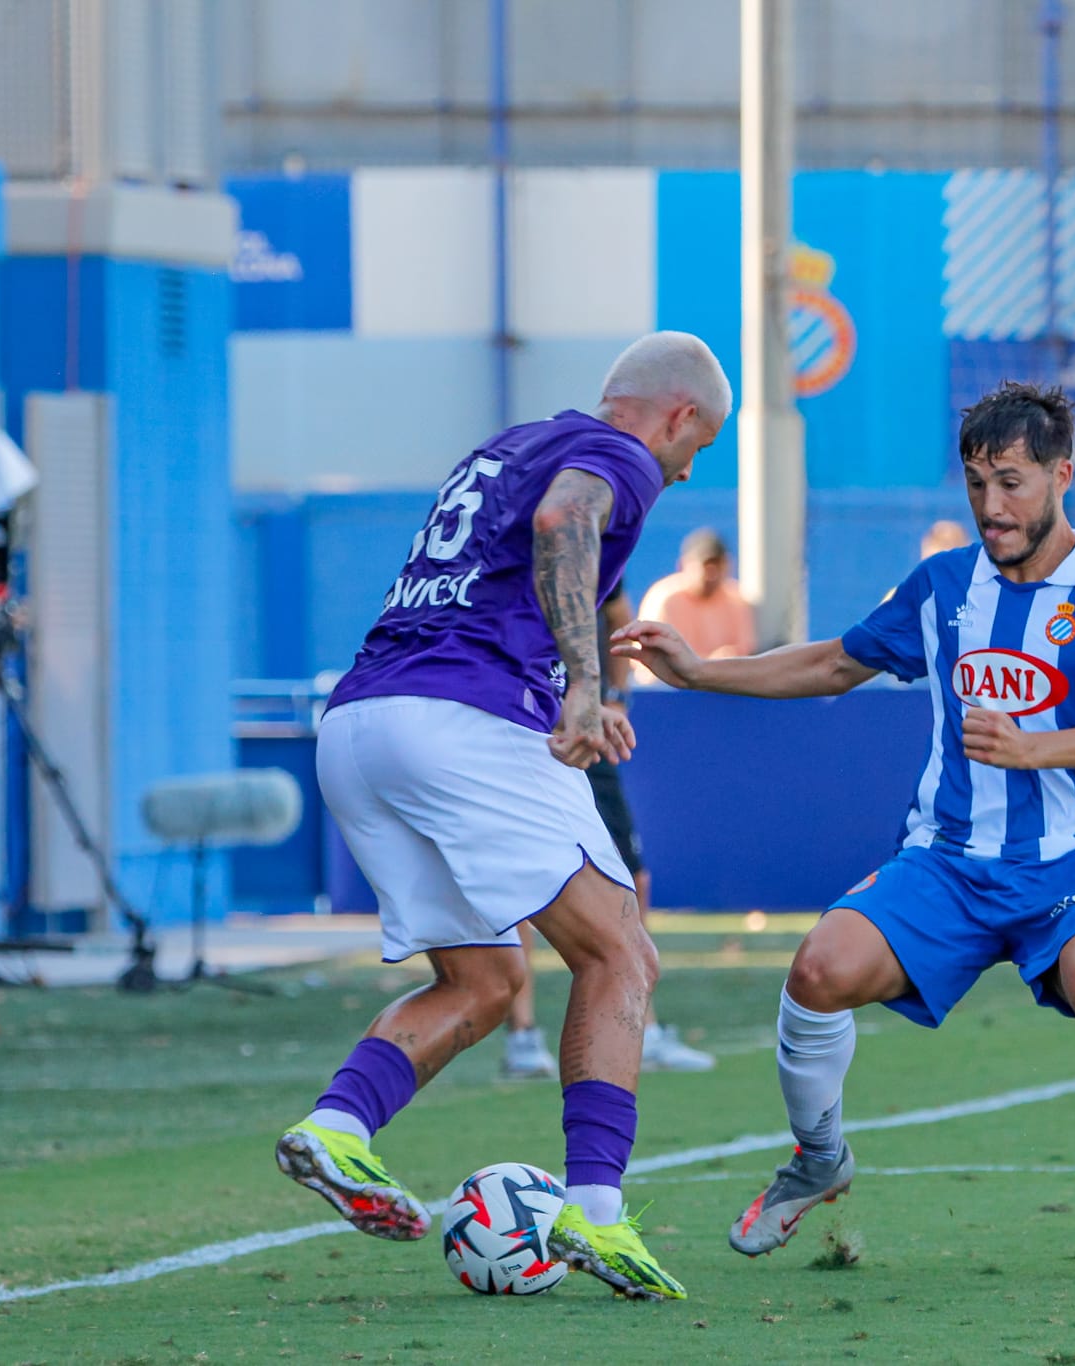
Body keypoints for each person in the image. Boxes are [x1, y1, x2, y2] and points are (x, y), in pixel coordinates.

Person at [613, 381, 1075, 1283]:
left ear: (1062, 476)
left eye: (1014, 483)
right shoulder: (945, 585)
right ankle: (819, 1160)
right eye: (979, 484)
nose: (993, 507)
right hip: (947, 860)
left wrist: (1034, 748)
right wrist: (701, 674)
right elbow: (837, 661)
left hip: (1063, 858)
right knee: (816, 971)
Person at [274, 331, 731, 1302]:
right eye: (702, 444)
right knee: (619, 953)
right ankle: (596, 1214)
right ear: (678, 415)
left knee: (484, 980)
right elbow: (570, 520)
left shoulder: (506, 446)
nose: (690, 471)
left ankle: (337, 1127)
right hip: (467, 718)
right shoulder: (623, 457)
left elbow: (569, 561)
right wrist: (578, 686)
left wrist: (601, 663)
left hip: (359, 723)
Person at [502, 580, 714, 1079]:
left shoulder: (589, 538)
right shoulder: (519, 534)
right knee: (517, 886)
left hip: (582, 727)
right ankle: (522, 1038)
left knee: (630, 875)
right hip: (521, 732)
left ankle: (642, 1026)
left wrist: (614, 696)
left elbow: (618, 611)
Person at [635, 527, 756, 676]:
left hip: (722, 684)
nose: (712, 574)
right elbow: (653, 656)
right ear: (684, 565)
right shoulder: (667, 599)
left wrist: (723, 659)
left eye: (718, 565)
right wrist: (709, 662)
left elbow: (745, 649)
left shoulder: (736, 599)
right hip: (669, 687)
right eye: (706, 566)